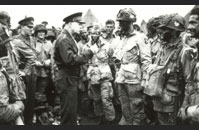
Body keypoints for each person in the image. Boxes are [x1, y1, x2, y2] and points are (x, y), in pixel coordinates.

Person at [145, 14, 195, 125]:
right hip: (159, 98)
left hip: (172, 103)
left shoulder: (184, 51)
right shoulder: (163, 47)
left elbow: (189, 82)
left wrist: (184, 106)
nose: (160, 32)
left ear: (173, 31)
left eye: (164, 29)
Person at [54, 12, 94, 125]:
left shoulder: (68, 38)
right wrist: (90, 52)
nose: (82, 27)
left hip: (69, 78)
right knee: (68, 112)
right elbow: (70, 60)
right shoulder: (64, 39)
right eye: (79, 24)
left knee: (71, 111)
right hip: (67, 79)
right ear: (71, 23)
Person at [114, 8, 151, 125]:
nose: (120, 24)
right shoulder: (123, 38)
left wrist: (145, 80)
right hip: (122, 78)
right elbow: (119, 58)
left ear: (130, 22)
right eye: (119, 22)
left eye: (123, 22)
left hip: (134, 80)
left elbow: (146, 61)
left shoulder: (140, 38)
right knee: (124, 107)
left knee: (137, 108)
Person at [86, 27, 115, 125]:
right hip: (93, 75)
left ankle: (110, 119)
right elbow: (85, 60)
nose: (94, 35)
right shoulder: (87, 46)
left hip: (104, 75)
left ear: (100, 34)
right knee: (96, 99)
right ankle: (99, 118)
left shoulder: (107, 45)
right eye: (92, 33)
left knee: (106, 99)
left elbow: (112, 59)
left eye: (96, 33)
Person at [0, 11, 25, 125]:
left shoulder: (9, 44)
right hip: (6, 87)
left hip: (13, 85)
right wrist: (18, 106)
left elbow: (12, 65)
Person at [12, 16, 38, 125]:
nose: (32, 30)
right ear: (22, 27)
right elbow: (31, 57)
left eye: (32, 27)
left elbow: (34, 55)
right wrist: (25, 72)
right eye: (29, 27)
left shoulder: (32, 39)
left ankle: (28, 121)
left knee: (31, 102)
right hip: (22, 76)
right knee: (23, 102)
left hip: (32, 74)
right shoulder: (16, 40)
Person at [178, 8, 199, 125]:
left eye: (193, 23)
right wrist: (185, 106)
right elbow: (190, 83)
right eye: (189, 23)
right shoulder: (194, 53)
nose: (189, 27)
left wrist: (188, 111)